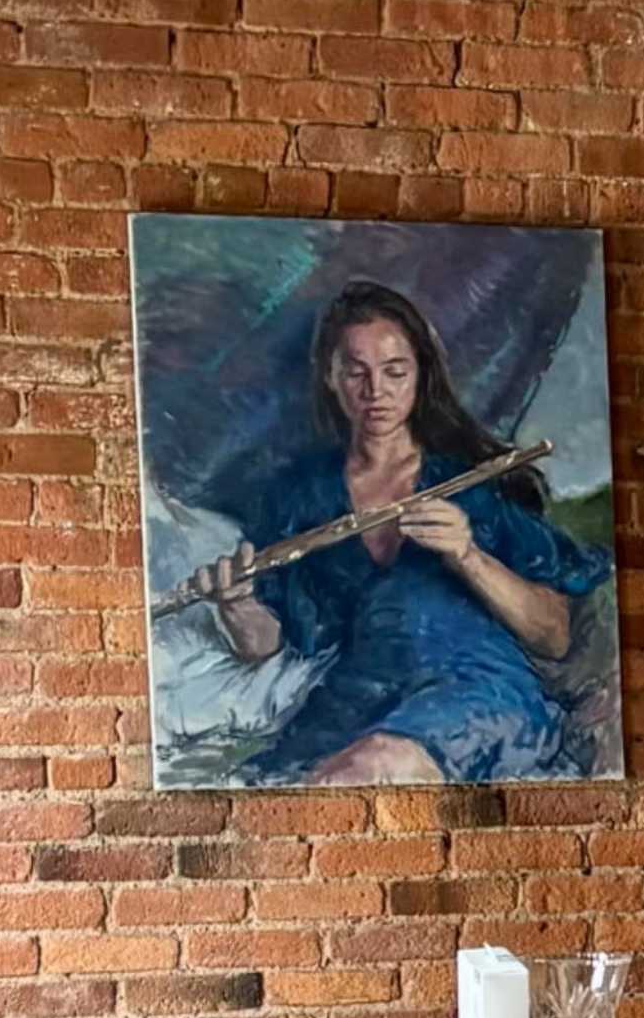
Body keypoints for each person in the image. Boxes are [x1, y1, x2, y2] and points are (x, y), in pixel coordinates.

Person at [185, 279, 609, 785]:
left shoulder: (471, 481)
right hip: (358, 695)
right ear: (330, 377)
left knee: (371, 768)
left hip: (474, 687)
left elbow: (554, 636)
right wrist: (236, 604)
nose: (375, 392)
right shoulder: (300, 494)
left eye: (394, 371)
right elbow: (267, 643)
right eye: (355, 372)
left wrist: (467, 554)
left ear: (420, 375)